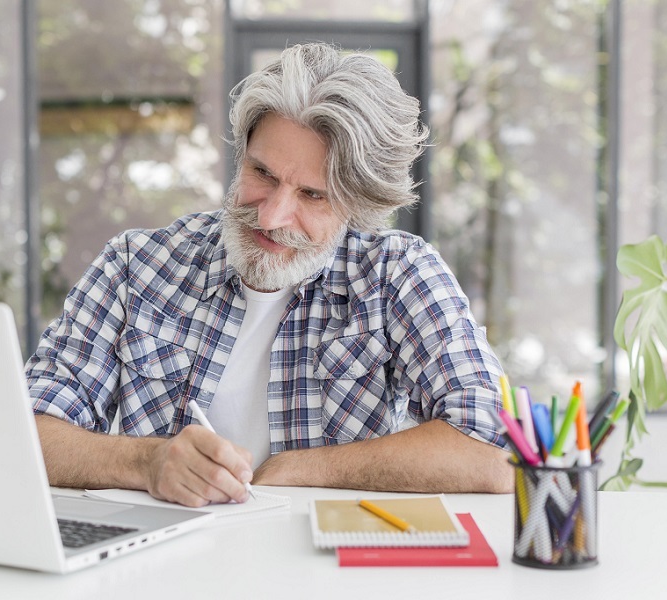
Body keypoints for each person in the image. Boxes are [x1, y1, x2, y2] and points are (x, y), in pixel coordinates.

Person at [27, 43, 512, 508]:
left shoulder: (398, 274)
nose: (272, 217)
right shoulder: (137, 264)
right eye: (262, 173)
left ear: (358, 207)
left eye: (312, 195)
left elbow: (494, 452)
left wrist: (302, 469)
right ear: (241, 157)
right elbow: (26, 430)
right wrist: (146, 462)